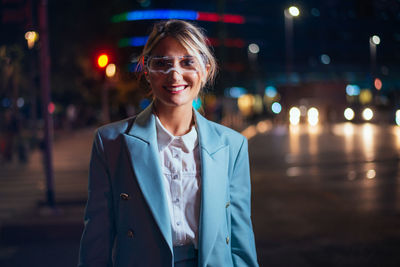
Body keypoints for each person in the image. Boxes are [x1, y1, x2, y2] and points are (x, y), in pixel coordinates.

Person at [78, 19, 258, 267]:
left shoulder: (232, 145)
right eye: (162, 63)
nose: (175, 74)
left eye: (187, 62)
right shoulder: (111, 142)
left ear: (205, 70)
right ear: (146, 71)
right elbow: (96, 246)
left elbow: (240, 243)